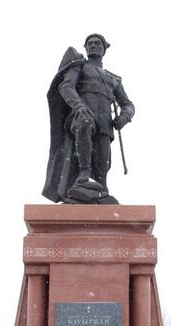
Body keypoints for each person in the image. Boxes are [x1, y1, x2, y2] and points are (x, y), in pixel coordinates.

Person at [43, 33, 135, 204]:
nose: (93, 45)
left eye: (97, 43)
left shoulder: (114, 79)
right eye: (90, 43)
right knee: (85, 123)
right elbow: (66, 86)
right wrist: (79, 106)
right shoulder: (79, 67)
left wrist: (124, 117)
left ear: (104, 49)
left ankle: (101, 194)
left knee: (102, 162)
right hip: (81, 115)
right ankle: (83, 175)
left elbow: (128, 105)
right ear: (85, 48)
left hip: (105, 123)